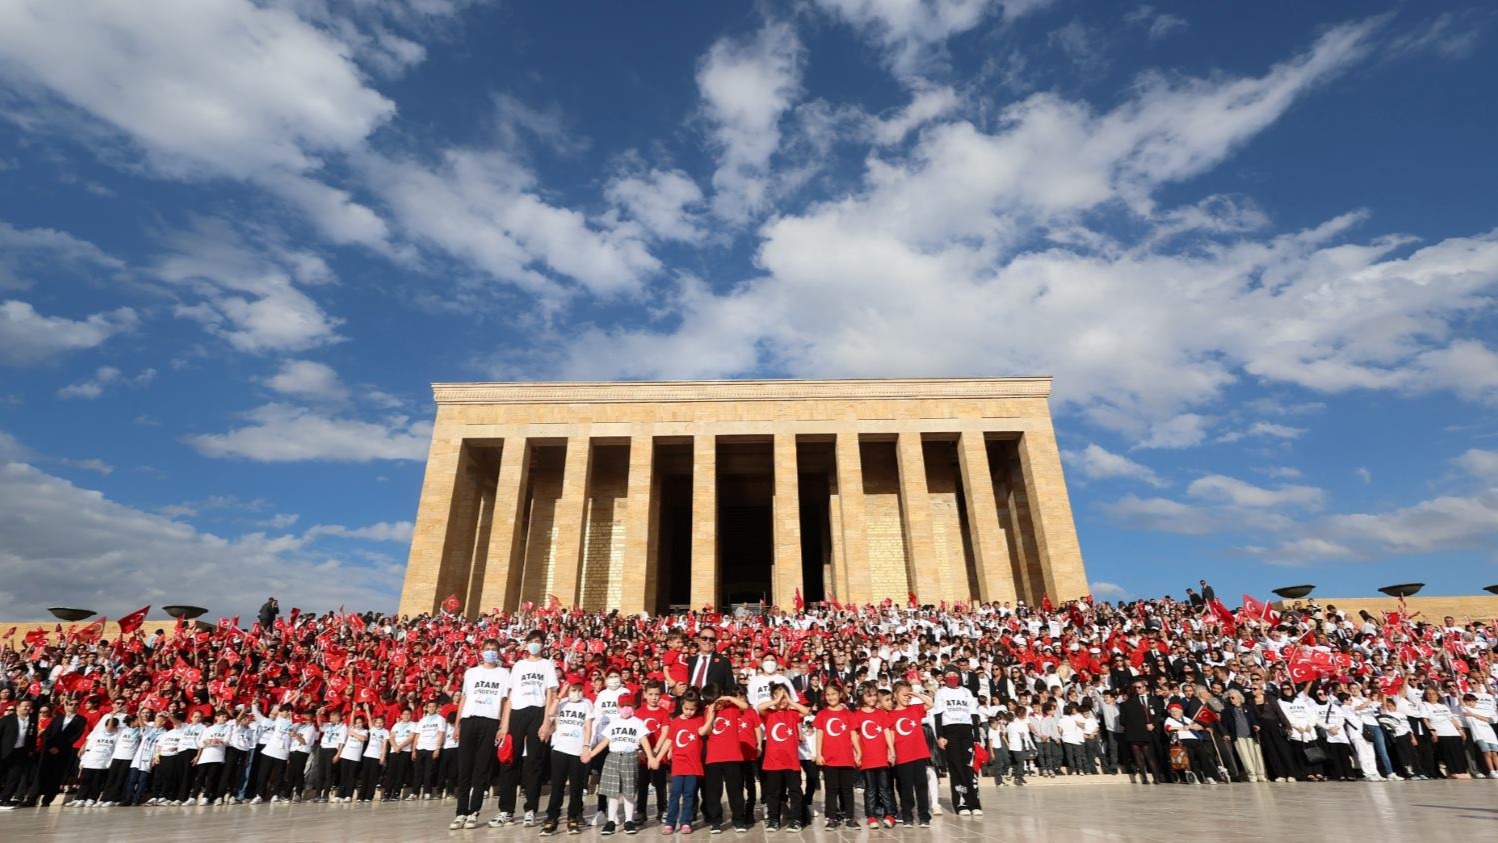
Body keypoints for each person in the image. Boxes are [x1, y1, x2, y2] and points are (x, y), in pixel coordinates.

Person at [497, 629, 559, 826]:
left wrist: (547, 722)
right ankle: (506, 810)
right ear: (526, 644)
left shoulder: (547, 664)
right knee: (509, 761)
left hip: (537, 712)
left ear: (543, 644)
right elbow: (510, 695)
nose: (534, 644)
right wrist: (504, 725)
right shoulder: (519, 666)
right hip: (517, 712)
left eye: (538, 641)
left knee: (534, 762)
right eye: (531, 641)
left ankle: (530, 809)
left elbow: (550, 694)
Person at [452, 637, 510, 831]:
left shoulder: (504, 674)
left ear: (498, 652)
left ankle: (473, 812)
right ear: (482, 651)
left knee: (482, 769)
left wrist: (503, 726)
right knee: (465, 768)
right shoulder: (471, 672)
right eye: (487, 648)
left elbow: (504, 701)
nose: (490, 651)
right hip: (469, 720)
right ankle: (460, 812)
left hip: (490, 721)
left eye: (494, 648)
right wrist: (458, 724)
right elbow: (464, 698)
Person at [587, 691, 655, 835]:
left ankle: (629, 821)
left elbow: (644, 740)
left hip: (630, 758)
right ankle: (611, 821)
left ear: (634, 707)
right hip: (613, 757)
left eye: (629, 706)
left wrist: (651, 757)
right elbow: (605, 742)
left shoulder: (637, 722)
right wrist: (591, 754)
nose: (625, 709)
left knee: (628, 792)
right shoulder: (614, 723)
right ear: (617, 707)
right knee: (613, 793)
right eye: (622, 706)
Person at [541, 674, 593, 836]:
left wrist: (586, 746)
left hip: (577, 750)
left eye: (579, 690)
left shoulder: (586, 703)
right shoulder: (561, 703)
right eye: (573, 689)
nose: (575, 692)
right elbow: (550, 713)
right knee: (557, 785)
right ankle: (552, 818)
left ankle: (573, 817)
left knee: (576, 786)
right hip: (560, 749)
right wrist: (561, 694)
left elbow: (588, 727)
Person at [757, 684, 808, 833]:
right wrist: (776, 700)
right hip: (773, 762)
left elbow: (805, 711)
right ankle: (773, 819)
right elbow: (760, 707)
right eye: (778, 695)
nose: (782, 699)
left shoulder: (792, 714)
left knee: (795, 791)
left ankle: (796, 819)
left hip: (791, 761)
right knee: (773, 792)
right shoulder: (769, 714)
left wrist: (790, 701)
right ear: (773, 697)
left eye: (784, 695)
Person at [699, 685, 750, 834]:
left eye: (716, 700)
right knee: (714, 792)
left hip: (732, 756)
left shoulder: (731, 708)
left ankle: (739, 820)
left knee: (735, 791)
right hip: (713, 758)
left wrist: (727, 698)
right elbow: (706, 731)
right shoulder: (708, 711)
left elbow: (745, 706)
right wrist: (711, 714)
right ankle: (716, 822)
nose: (716, 703)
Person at [933, 666, 982, 814]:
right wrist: (940, 736)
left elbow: (973, 714)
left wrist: (976, 736)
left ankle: (975, 803)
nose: (952, 676)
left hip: (966, 730)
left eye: (955, 674)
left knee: (970, 767)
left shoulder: (967, 692)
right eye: (948, 674)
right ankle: (961, 803)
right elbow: (938, 715)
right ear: (944, 677)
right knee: (956, 767)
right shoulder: (941, 693)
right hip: (950, 730)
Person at [659, 690, 705, 835]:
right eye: (686, 708)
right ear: (681, 705)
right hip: (678, 763)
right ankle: (670, 822)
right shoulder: (676, 721)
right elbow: (669, 740)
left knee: (689, 794)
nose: (689, 712)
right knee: (674, 793)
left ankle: (686, 821)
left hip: (693, 765)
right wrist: (660, 756)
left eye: (692, 709)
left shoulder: (699, 720)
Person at [889, 680, 932, 828]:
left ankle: (924, 816)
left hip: (919, 754)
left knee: (921, 786)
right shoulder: (891, 714)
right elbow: (892, 735)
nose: (907, 697)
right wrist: (892, 753)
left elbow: (930, 704)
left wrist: (916, 694)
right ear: (895, 695)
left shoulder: (915, 708)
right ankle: (907, 815)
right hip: (903, 756)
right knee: (906, 788)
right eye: (904, 694)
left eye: (909, 694)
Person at [853, 683, 895, 829]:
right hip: (867, 758)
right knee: (870, 789)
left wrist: (891, 751)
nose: (872, 698)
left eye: (873, 694)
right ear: (861, 696)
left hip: (881, 757)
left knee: (884, 787)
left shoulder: (881, 713)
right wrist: (857, 754)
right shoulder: (857, 715)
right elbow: (855, 736)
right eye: (868, 695)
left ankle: (890, 814)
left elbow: (887, 732)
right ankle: (871, 816)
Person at [36, 697, 85, 806]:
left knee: (56, 775)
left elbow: (76, 736)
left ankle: (47, 800)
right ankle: (32, 797)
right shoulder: (58, 718)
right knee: (41, 773)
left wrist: (59, 748)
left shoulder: (81, 720)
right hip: (48, 749)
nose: (73, 706)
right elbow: (48, 733)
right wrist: (49, 746)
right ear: (66, 706)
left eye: (76, 704)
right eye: (71, 704)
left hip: (63, 751)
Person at [0, 698, 38, 809]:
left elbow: (32, 736)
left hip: (20, 752)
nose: (27, 708)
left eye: (29, 706)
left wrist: (30, 749)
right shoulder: (7, 719)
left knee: (14, 776)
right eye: (25, 706)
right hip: (5, 751)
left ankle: (5, 799)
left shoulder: (32, 720)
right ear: (18, 707)